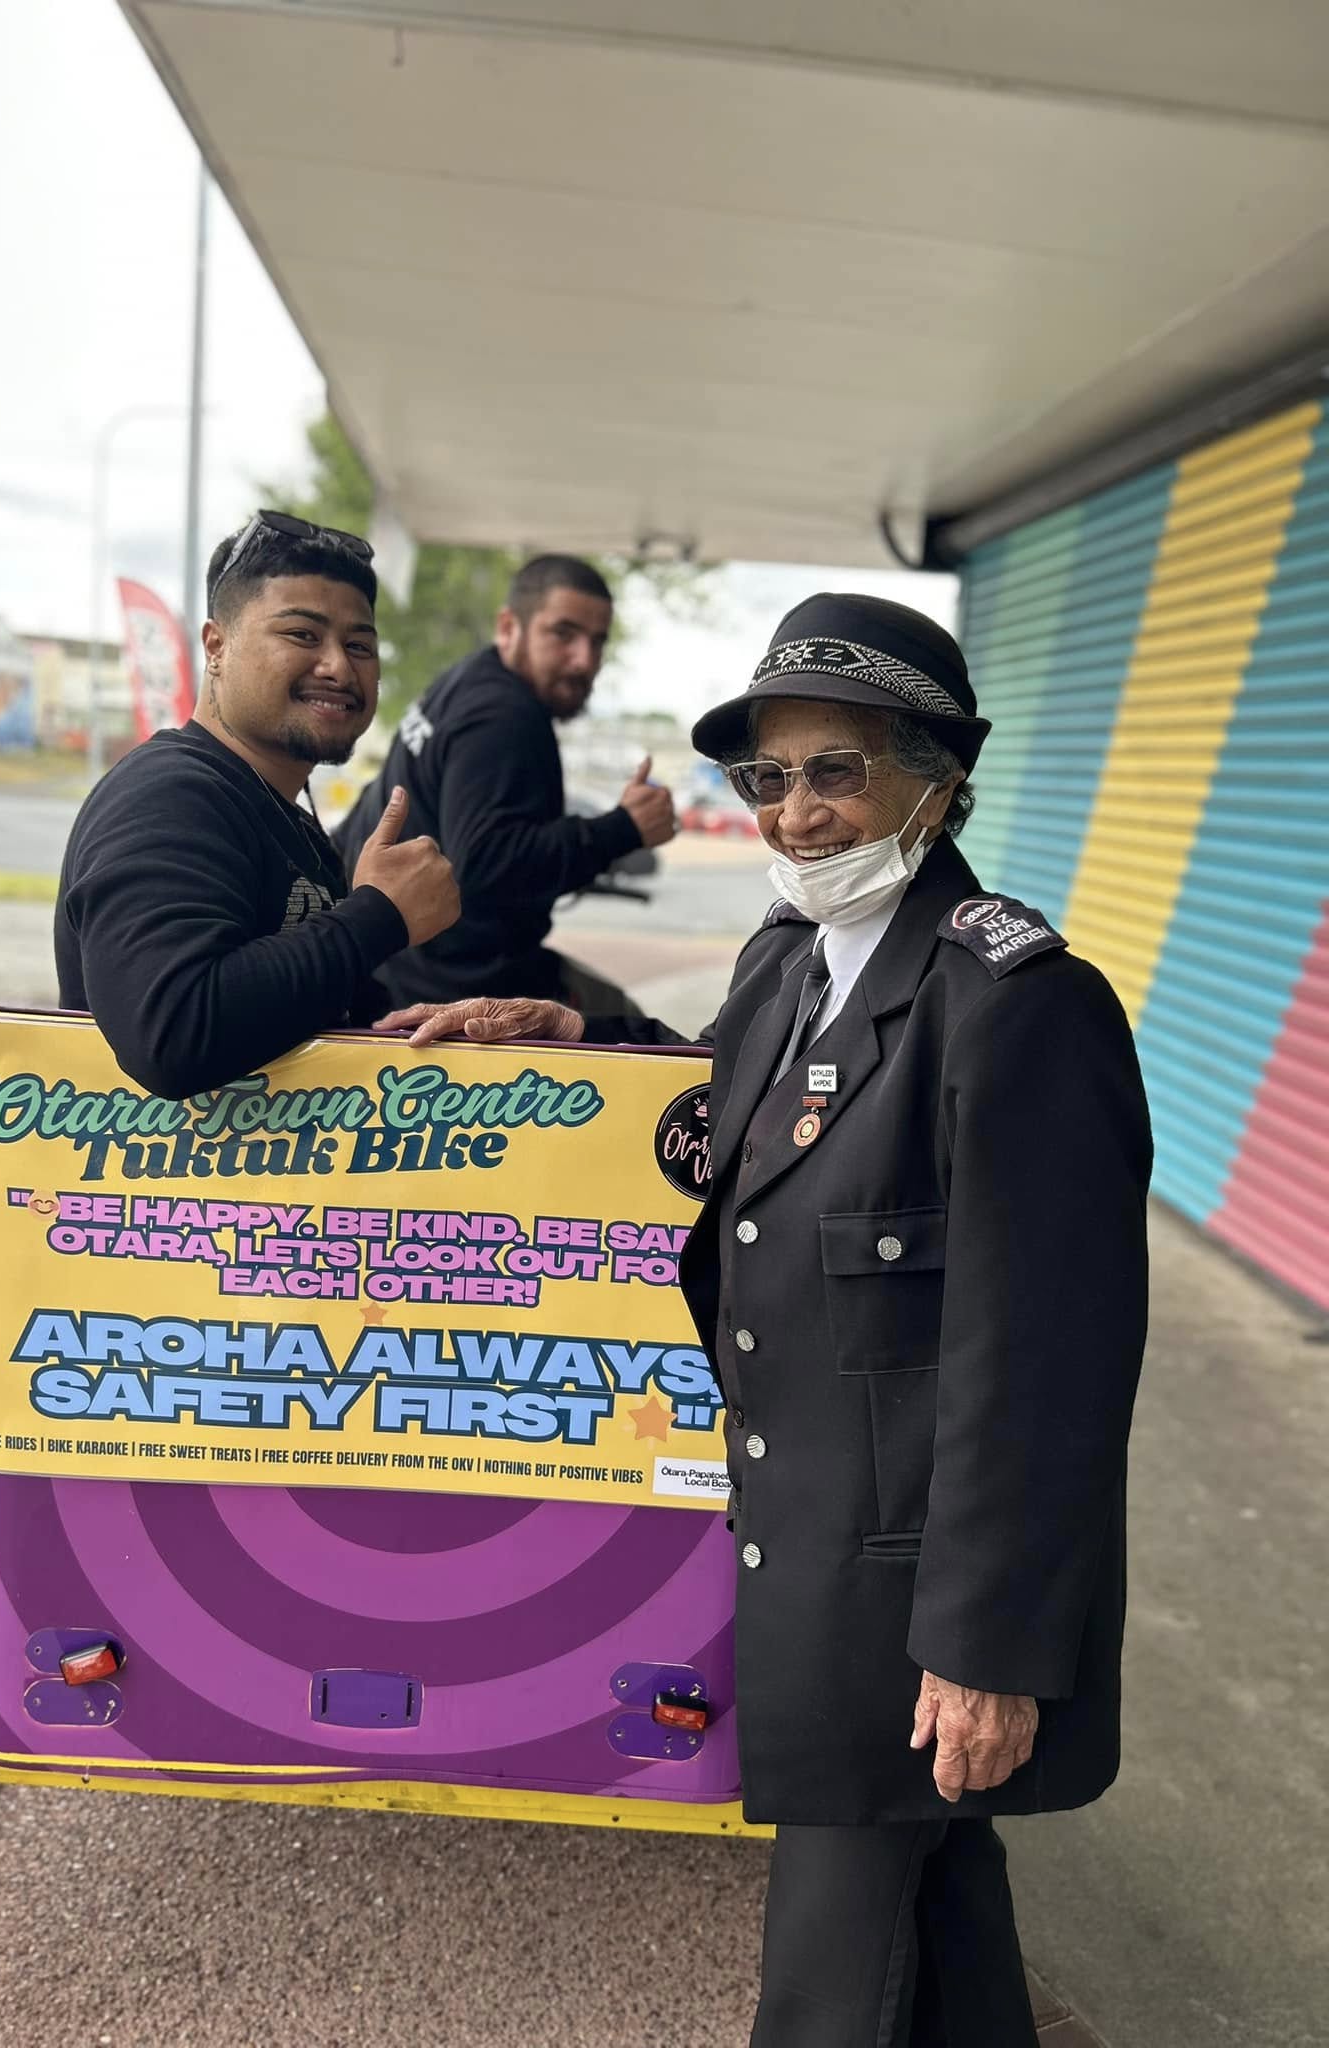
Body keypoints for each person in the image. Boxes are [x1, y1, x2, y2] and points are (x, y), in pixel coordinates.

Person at [379, 593, 1151, 2047]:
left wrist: (989, 1649)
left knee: (826, 1977)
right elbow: (742, 1122)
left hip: (915, 1605)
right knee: (942, 1908)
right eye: (768, 777)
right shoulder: (785, 964)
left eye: (838, 769)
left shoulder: (1018, 1009)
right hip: (808, 1559)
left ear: (940, 777)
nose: (796, 813)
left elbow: (1048, 1367)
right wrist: (575, 1041)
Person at [54, 510, 458, 1099]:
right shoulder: (168, 794)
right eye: (302, 635)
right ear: (216, 646)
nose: (338, 666)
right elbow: (171, 1036)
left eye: (359, 645)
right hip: (164, 1189)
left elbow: (320, 1009)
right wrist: (380, 916)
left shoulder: (282, 814)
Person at [334, 554, 676, 1014]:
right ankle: (810, 1089)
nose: (584, 660)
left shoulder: (464, 681)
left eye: (597, 642)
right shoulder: (506, 715)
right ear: (509, 627)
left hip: (396, 965)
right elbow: (485, 863)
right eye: (563, 633)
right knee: (634, 1032)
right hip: (453, 991)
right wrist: (624, 828)